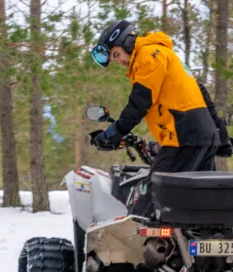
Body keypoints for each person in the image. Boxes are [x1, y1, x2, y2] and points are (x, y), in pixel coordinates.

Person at [89, 20, 223, 216]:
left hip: (183, 137)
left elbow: (140, 102)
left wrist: (114, 132)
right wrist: (222, 135)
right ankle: (200, 245)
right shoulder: (165, 54)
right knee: (198, 206)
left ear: (127, 42)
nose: (117, 61)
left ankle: (139, 245)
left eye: (116, 54)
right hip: (203, 136)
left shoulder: (148, 56)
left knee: (149, 206)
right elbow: (201, 93)